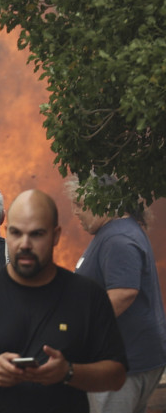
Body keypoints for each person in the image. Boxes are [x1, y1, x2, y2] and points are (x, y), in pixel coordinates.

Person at [0, 189, 128, 413]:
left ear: (55, 235)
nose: (25, 244)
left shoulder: (86, 295)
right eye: (16, 233)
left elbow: (116, 374)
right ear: (6, 232)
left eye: (36, 234)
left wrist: (69, 372)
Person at [67, 177, 166, 413]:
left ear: (102, 201)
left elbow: (123, 293)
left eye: (79, 205)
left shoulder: (118, 239)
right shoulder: (114, 233)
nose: (75, 213)